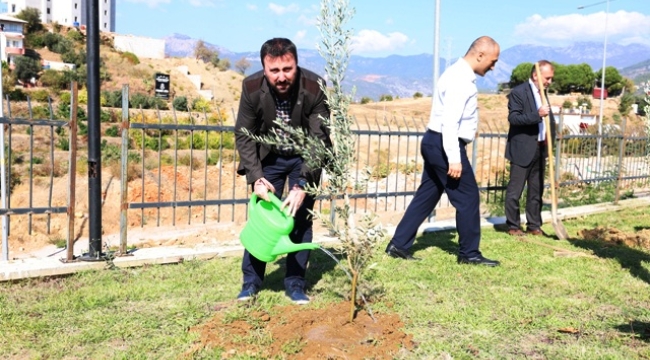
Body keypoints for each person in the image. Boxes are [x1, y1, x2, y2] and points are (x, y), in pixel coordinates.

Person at [384, 36, 501, 266]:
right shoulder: (460, 80)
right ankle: (469, 254)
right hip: (445, 145)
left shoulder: (457, 73)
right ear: (480, 55)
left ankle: (398, 244)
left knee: (427, 195)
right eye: (492, 60)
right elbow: (449, 123)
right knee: (468, 197)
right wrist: (454, 158)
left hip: (435, 142)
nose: (493, 66)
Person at [234, 38, 332, 304]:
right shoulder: (251, 87)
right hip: (270, 158)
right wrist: (256, 178)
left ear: (296, 65)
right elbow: (244, 135)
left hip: (304, 158)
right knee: (263, 220)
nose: (281, 77)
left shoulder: (314, 87)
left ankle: (296, 283)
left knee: (301, 219)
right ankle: (251, 282)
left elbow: (319, 139)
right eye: (274, 70)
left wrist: (302, 184)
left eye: (287, 69)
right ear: (264, 68)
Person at [504, 60, 556, 237]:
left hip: (540, 149)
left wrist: (550, 142)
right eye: (547, 78)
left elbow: (549, 121)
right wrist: (537, 114)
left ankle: (534, 225)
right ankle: (513, 226)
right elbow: (514, 119)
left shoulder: (543, 94)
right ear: (536, 75)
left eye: (551, 78)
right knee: (515, 191)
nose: (549, 81)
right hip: (522, 149)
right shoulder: (518, 93)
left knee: (536, 191)